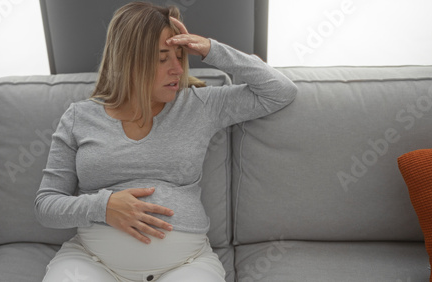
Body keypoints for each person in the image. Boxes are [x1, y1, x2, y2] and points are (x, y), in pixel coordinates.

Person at [34, 2, 297, 282]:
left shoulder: (198, 105)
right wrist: (103, 206)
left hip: (186, 265)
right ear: (129, 60)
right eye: (162, 58)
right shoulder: (80, 117)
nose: (176, 68)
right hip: (91, 261)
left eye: (180, 56)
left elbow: (280, 92)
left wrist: (212, 49)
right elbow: (46, 206)